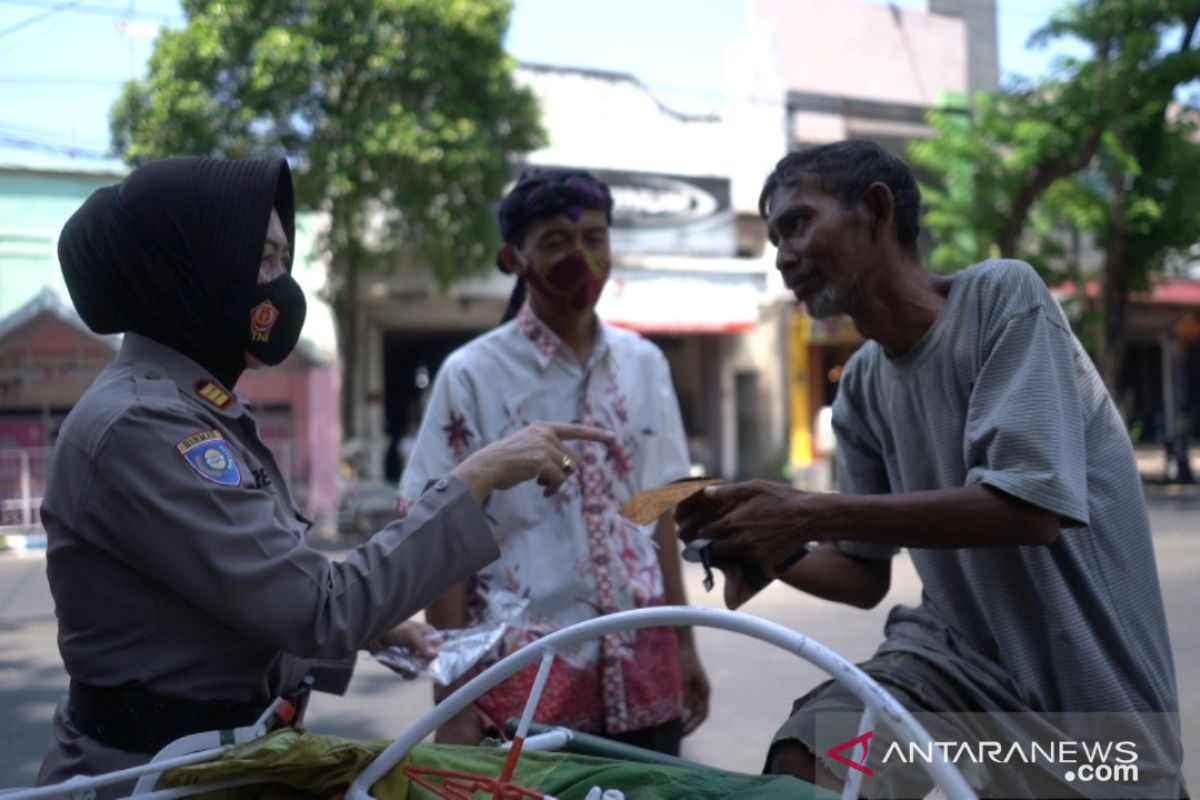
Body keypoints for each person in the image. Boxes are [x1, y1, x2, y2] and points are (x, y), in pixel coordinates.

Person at [36, 156, 612, 798]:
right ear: (190, 269)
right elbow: (319, 609)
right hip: (152, 775)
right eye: (262, 261)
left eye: (284, 261)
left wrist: (373, 628)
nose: (280, 286)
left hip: (217, 764)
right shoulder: (146, 425)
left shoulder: (193, 406)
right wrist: (477, 475)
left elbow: (236, 602)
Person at [676, 140, 1185, 798]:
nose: (782, 255)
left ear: (876, 211)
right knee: (819, 758)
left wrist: (803, 510)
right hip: (952, 681)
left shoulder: (1003, 298)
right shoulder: (860, 385)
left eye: (798, 223)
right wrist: (756, 537)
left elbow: (1028, 512)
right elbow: (861, 572)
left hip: (1098, 726)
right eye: (774, 236)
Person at [398, 168, 710, 755]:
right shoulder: (472, 375)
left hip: (645, 669)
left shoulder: (645, 363)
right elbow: (445, 538)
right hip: (521, 683)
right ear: (513, 258)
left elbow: (661, 510)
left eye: (594, 238)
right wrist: (454, 701)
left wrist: (686, 646)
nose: (580, 257)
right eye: (555, 242)